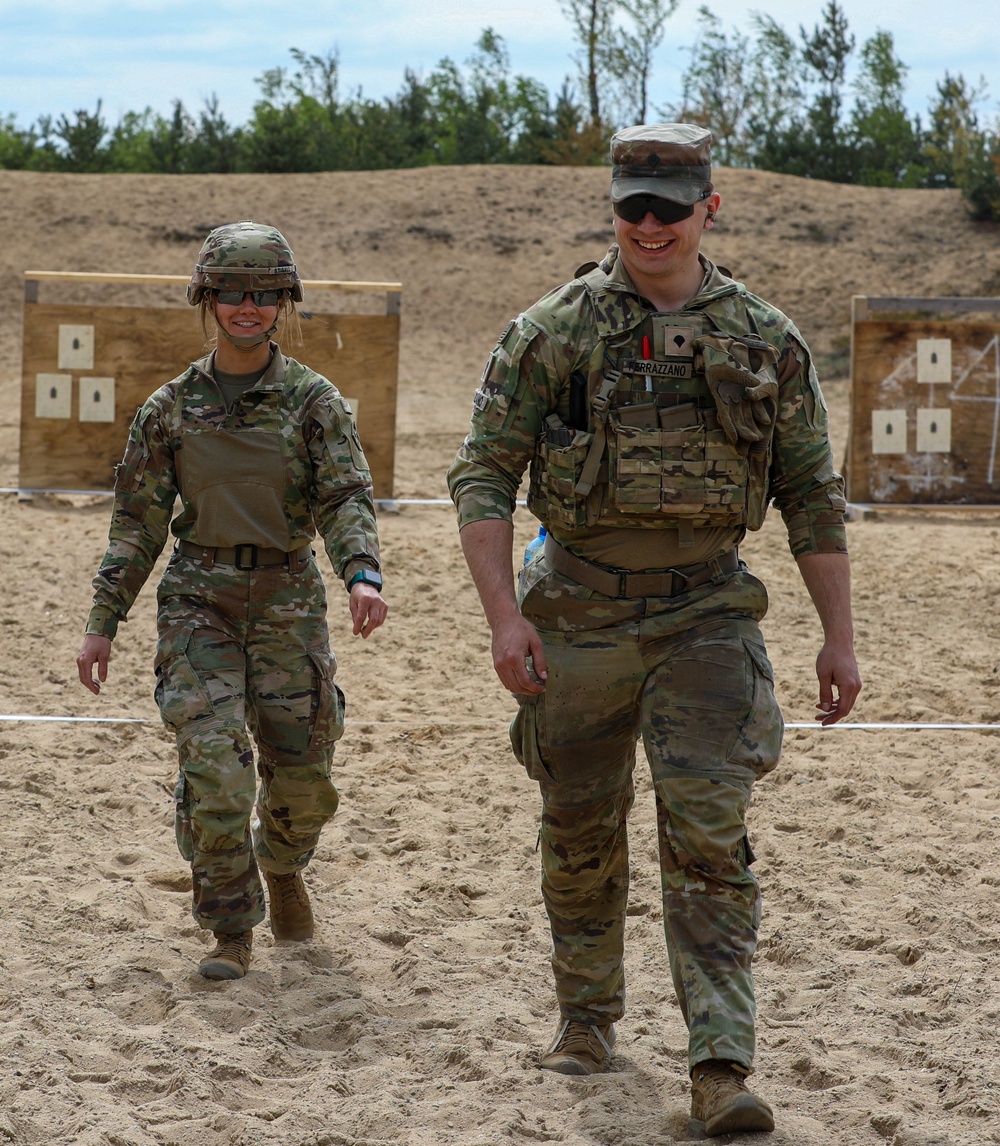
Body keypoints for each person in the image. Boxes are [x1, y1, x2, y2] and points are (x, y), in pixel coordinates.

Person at [447, 124, 860, 1137]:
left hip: (708, 615)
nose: (646, 226)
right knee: (579, 828)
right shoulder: (553, 331)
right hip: (576, 614)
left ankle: (719, 1064)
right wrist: (505, 618)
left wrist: (836, 636)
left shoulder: (765, 338)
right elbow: (483, 474)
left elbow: (811, 493)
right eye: (630, 206)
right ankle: (585, 1019)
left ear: (708, 209)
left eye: (668, 209)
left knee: (709, 835)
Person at [76, 220, 387, 981]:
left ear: (283, 302)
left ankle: (281, 865)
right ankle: (229, 927)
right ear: (207, 300)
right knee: (215, 765)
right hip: (198, 600)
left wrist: (362, 572)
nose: (247, 307)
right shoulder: (169, 408)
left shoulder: (315, 402)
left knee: (304, 779)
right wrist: (101, 624)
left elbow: (347, 495)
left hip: (288, 597)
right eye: (231, 294)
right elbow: (136, 525)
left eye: (264, 294)